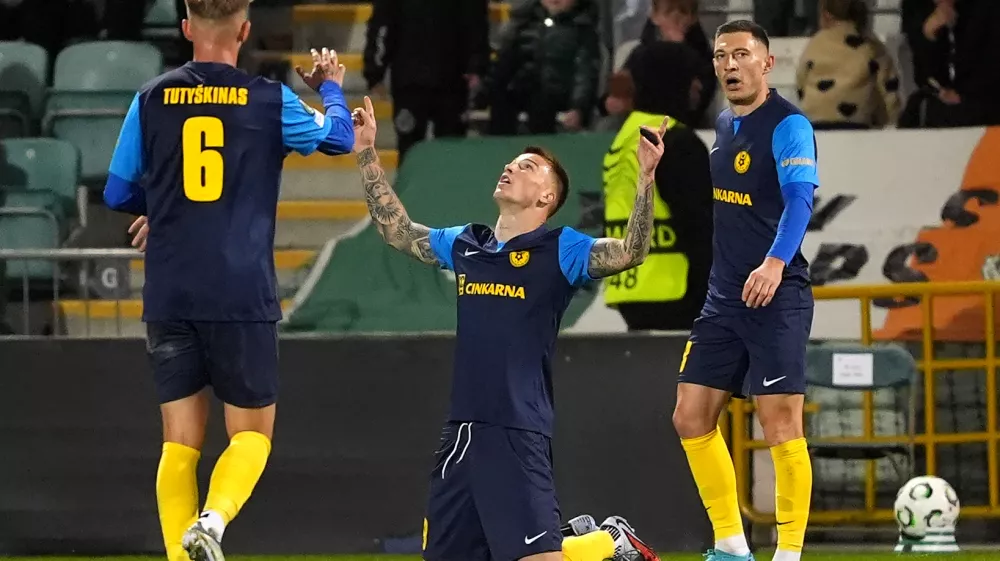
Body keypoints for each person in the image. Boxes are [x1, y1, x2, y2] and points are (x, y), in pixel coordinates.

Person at [351, 95, 664, 561]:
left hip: (516, 431)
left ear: (547, 198)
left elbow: (630, 252)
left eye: (528, 167)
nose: (511, 168)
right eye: (512, 163)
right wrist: (366, 152)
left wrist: (645, 178)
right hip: (459, 435)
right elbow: (397, 231)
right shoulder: (467, 243)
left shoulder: (562, 249)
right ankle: (595, 541)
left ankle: (607, 544)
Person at [102, 0, 354, 560]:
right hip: (240, 290)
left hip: (170, 290)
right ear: (244, 30)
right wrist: (331, 86)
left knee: (179, 443)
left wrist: (166, 207)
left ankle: (179, 553)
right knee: (251, 434)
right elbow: (339, 139)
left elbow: (117, 193)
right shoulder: (269, 98)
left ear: (187, 28)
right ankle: (211, 524)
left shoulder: (150, 98)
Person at [671, 20, 818, 561]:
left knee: (779, 420)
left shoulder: (790, 126)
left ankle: (789, 553)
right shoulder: (726, 123)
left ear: (766, 63)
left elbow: (801, 201)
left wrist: (775, 263)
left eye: (740, 55)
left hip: (776, 294)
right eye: (719, 57)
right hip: (723, 298)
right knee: (690, 415)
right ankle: (732, 546)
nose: (729, 65)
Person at [601, 41, 714, 331]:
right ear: (672, 80)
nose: (697, 89)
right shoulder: (676, 141)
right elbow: (702, 227)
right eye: (692, 78)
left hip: (631, 290)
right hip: (677, 289)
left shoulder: (625, 137)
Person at [362, 0, 489, 161]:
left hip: (444, 81)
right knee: (414, 151)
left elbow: (476, 23)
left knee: (446, 151)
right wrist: (374, 71)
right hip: (422, 81)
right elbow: (382, 24)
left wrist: (476, 66)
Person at [796, 0, 901, 130]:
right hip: (858, 122)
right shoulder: (872, 47)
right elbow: (888, 88)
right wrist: (889, 119)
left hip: (817, 120)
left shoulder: (815, 45)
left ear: (826, 14)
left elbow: (801, 81)